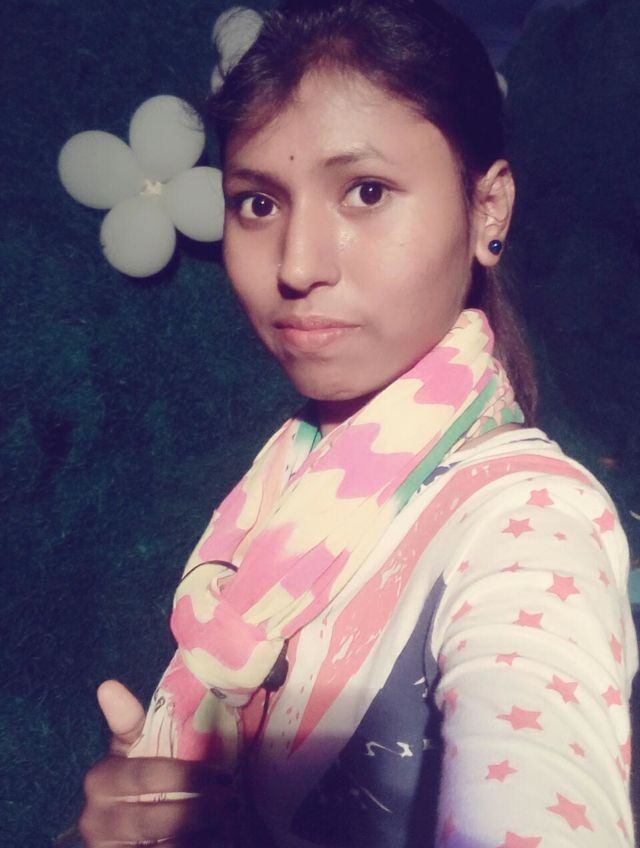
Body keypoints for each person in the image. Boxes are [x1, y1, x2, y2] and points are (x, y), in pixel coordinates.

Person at [78, 1, 638, 846]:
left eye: (366, 192)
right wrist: (168, 791)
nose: (297, 265)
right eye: (257, 204)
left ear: (488, 209)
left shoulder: (531, 523)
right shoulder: (289, 476)